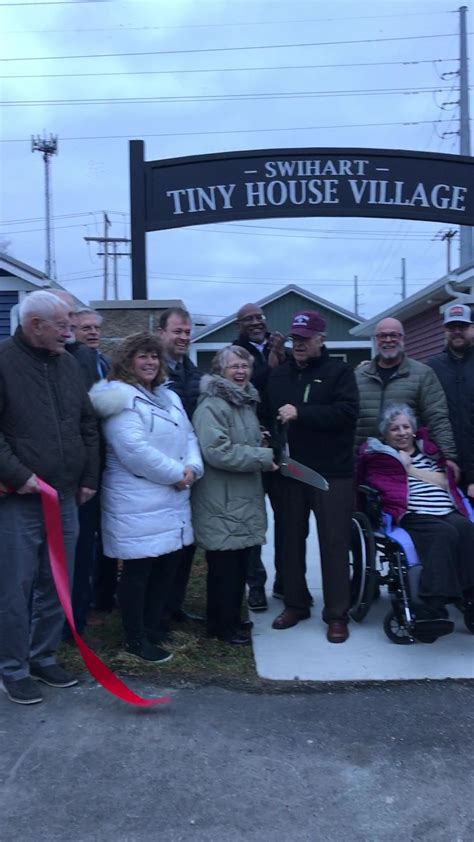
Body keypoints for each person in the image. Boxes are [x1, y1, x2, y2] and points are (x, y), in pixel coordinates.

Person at [0, 290, 99, 705]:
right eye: (63, 325)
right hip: (20, 499)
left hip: (65, 496)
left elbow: (86, 423)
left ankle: (44, 656)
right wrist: (19, 475)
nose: (70, 332)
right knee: (15, 587)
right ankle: (12, 668)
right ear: (35, 325)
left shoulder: (69, 364)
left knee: (57, 582)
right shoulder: (3, 362)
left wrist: (89, 476)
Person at [90, 331, 203, 663]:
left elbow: (190, 436)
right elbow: (134, 451)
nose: (150, 362)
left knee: (166, 565)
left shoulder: (169, 397)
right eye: (143, 356)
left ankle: (155, 627)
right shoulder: (118, 398)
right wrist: (177, 474)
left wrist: (193, 469)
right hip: (136, 501)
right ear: (127, 361)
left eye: (154, 356)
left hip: (172, 498)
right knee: (139, 571)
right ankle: (135, 638)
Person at [263, 310, 359, 643]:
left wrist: (301, 413)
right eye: (295, 338)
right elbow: (267, 415)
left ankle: (336, 614)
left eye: (306, 338)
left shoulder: (340, 373)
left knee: (334, 544)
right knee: (289, 540)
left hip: (332, 473)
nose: (299, 344)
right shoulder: (279, 375)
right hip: (290, 472)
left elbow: (346, 414)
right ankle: (296, 603)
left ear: (321, 339)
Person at [191, 345, 277, 645]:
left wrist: (259, 438)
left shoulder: (244, 402)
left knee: (239, 564)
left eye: (245, 366)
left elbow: (239, 439)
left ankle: (230, 618)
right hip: (221, 500)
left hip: (239, 499)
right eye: (234, 367)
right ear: (220, 371)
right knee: (224, 568)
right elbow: (216, 451)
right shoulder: (213, 405)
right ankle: (219, 628)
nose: (241, 372)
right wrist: (263, 456)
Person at [358, 404, 474, 618]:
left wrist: (409, 469)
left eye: (406, 427)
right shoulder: (379, 456)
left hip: (446, 509)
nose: (402, 433)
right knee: (444, 534)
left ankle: (469, 596)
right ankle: (433, 604)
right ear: (385, 433)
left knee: (467, 529)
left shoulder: (429, 451)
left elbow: (445, 480)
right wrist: (399, 465)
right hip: (413, 513)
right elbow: (379, 484)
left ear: (413, 429)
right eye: (395, 429)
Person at [234, 302, 287, 611]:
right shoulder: (236, 353)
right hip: (252, 444)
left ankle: (285, 578)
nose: (256, 322)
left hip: (281, 445)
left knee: (288, 517)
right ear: (238, 325)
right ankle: (256, 585)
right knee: (254, 521)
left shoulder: (282, 345)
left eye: (259, 317)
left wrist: (280, 354)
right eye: (248, 319)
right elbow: (253, 385)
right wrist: (271, 360)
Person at [355, 317, 459, 474]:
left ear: (402, 338)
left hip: (409, 464)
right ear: (376, 340)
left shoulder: (422, 374)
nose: (388, 340)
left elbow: (437, 418)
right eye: (382, 336)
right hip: (364, 461)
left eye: (393, 335)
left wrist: (448, 457)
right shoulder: (359, 375)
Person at [158, 306, 204, 625]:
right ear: (161, 333)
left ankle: (174, 605)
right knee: (161, 547)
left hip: (188, 469)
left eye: (187, 332)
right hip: (160, 472)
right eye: (177, 331)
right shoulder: (150, 371)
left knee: (185, 542)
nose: (184, 337)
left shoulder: (194, 373)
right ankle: (155, 610)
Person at [427, 303, 474, 497]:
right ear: (444, 331)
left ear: (472, 328)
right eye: (451, 327)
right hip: (446, 466)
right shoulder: (432, 367)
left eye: (462, 327)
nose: (456, 332)